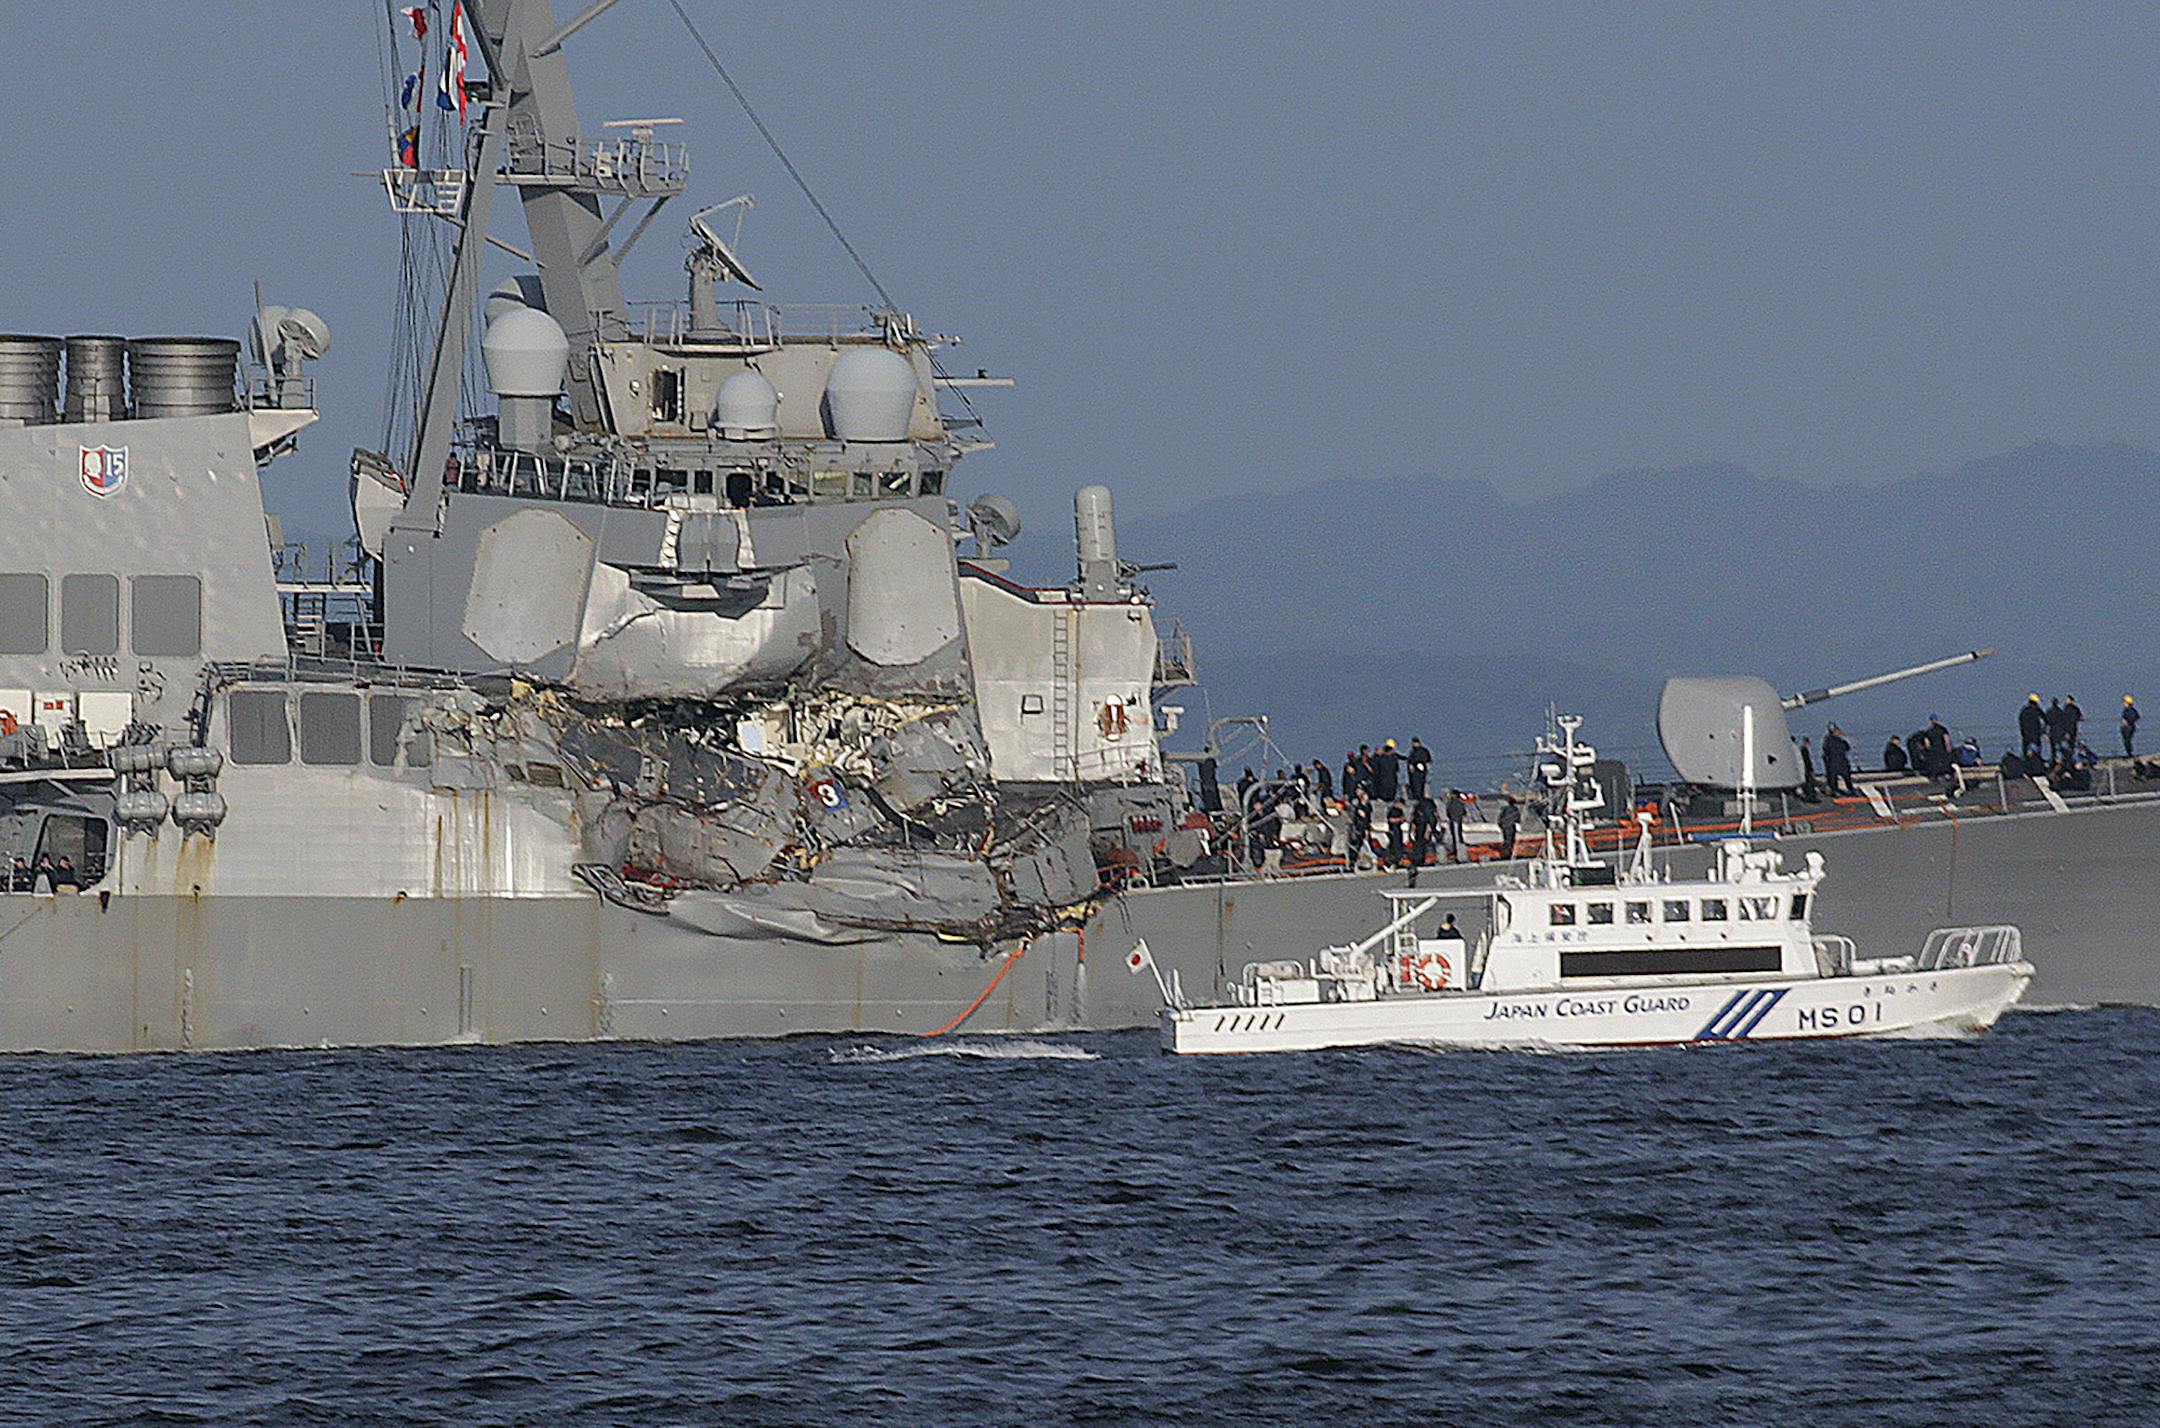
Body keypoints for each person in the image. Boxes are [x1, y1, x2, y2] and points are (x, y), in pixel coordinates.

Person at [1822, 725, 1856, 796]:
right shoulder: (1838, 741)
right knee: (1844, 777)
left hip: (1835, 763)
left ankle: (1836, 789)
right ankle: (1849, 789)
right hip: (1838, 762)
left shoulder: (1827, 740)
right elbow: (1846, 747)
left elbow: (1825, 751)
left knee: (1834, 778)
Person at [1371, 739, 1402, 803]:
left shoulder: (1379, 759)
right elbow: (1397, 769)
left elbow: (1376, 769)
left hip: (1382, 782)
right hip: (1391, 781)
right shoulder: (1394, 759)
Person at [2019, 695, 2047, 760]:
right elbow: (2045, 720)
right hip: (2035, 733)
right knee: (2036, 751)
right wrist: (2043, 731)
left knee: (2026, 751)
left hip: (2026, 734)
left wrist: (2023, 731)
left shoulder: (2024, 710)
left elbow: (2021, 721)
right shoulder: (2037, 710)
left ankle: (2026, 763)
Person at [1445, 788, 1469, 862]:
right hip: (1458, 821)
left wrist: (1453, 817)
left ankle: (1458, 853)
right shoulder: (1460, 802)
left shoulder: (1452, 802)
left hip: (1454, 821)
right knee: (1458, 836)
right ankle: (1459, 852)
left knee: (1456, 837)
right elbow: (1464, 812)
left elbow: (1449, 811)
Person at [1406, 737, 1432, 802]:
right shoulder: (1413, 751)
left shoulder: (1422, 751)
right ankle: (1417, 797)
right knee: (1415, 785)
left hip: (1419, 771)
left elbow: (1427, 761)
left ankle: (1418, 798)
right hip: (1416, 772)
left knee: (1418, 785)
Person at [1383, 803, 1408, 868]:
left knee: (1399, 846)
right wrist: (1399, 819)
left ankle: (1399, 860)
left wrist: (1402, 819)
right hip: (1393, 830)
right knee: (1394, 846)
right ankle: (1393, 860)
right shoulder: (1393, 811)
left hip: (1399, 829)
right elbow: (1390, 820)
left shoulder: (1400, 811)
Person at [1798, 736, 1819, 802]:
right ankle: (1811, 797)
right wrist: (1811, 770)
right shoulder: (1804, 750)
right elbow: (1807, 761)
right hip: (1806, 769)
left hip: (1803, 769)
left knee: (1807, 783)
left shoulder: (1801, 749)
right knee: (1809, 784)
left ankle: (1809, 796)